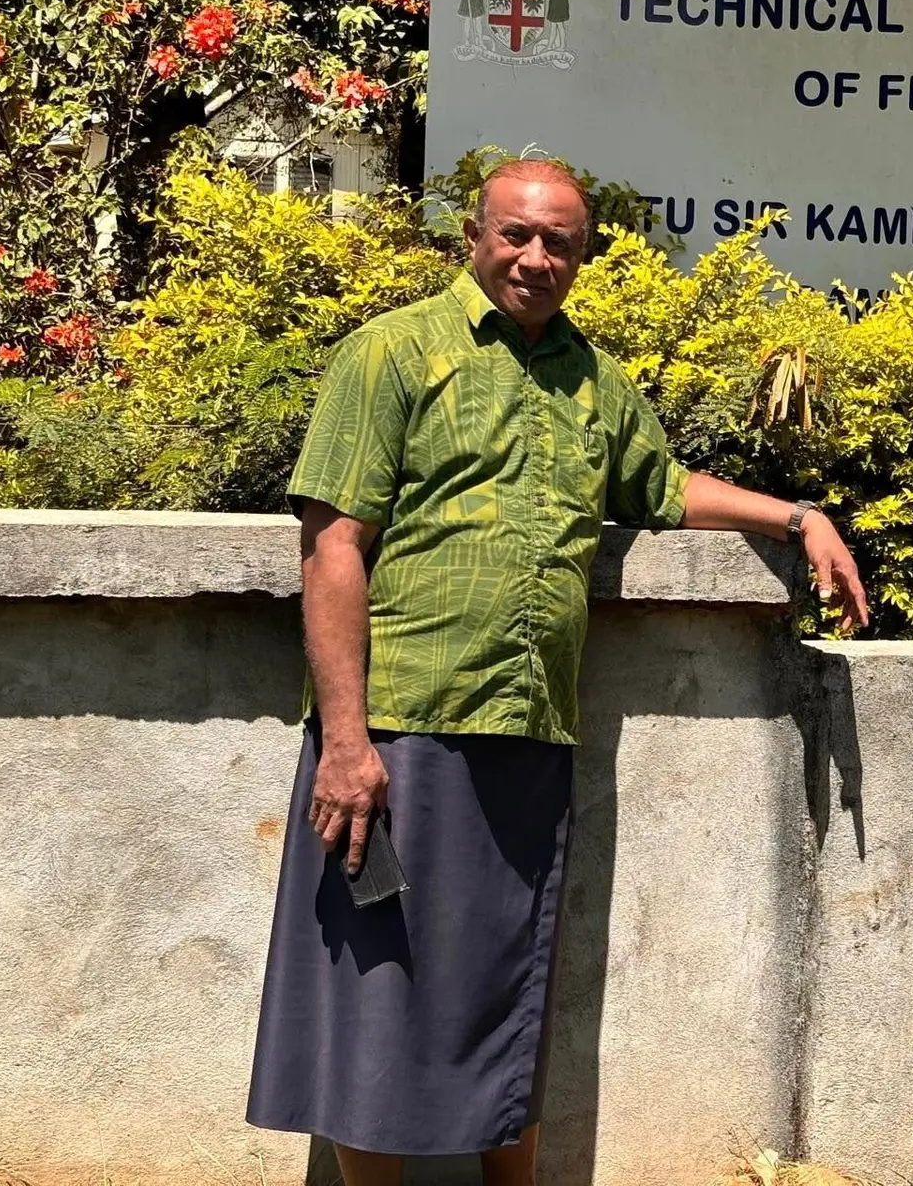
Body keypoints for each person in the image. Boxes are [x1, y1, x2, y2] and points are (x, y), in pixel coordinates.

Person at [245, 157, 870, 1184]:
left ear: (583, 256)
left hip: (530, 725)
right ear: (474, 237)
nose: (537, 259)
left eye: (561, 244)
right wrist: (347, 743)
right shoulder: (394, 353)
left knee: (505, 988)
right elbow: (332, 546)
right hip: (404, 723)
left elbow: (663, 486)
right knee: (376, 990)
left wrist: (797, 517)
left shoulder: (594, 381)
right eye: (517, 236)